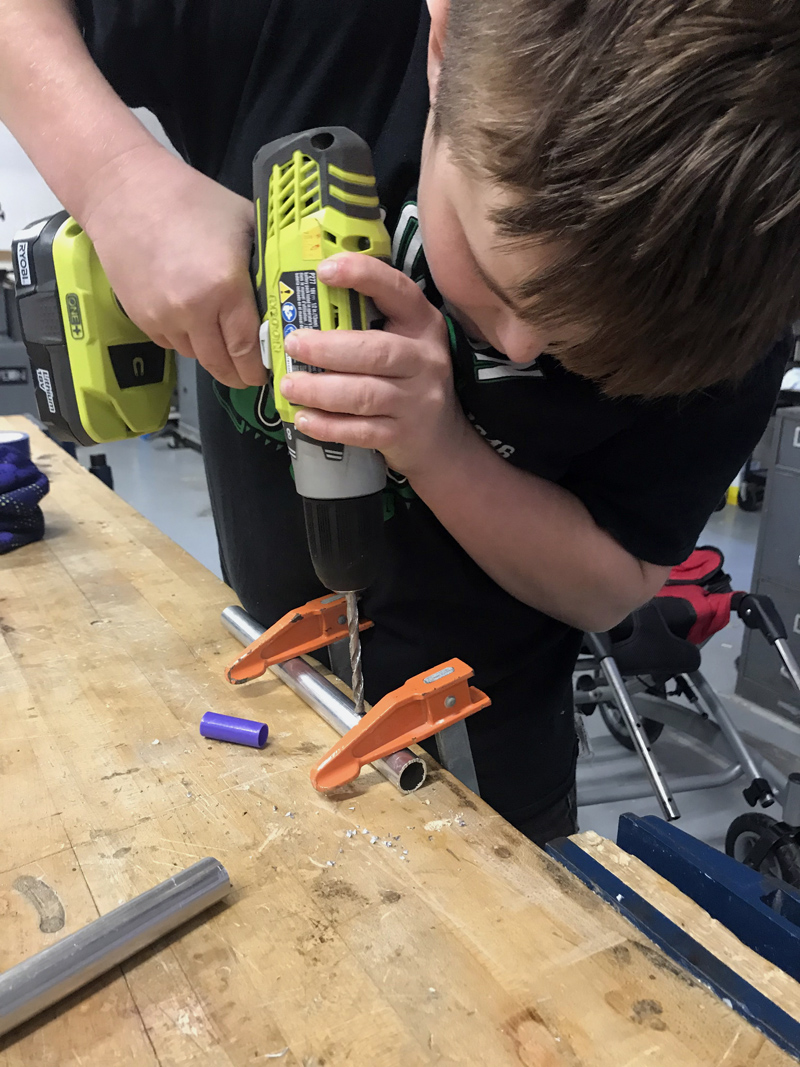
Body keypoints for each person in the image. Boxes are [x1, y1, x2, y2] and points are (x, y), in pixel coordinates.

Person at [1, 0, 797, 845]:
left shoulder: (748, 287)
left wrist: (440, 446)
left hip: (495, 760)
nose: (523, 345)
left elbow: (613, 584)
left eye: (587, 349)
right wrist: (116, 177)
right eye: (499, 278)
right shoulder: (332, 27)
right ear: (444, 45)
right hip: (276, 678)